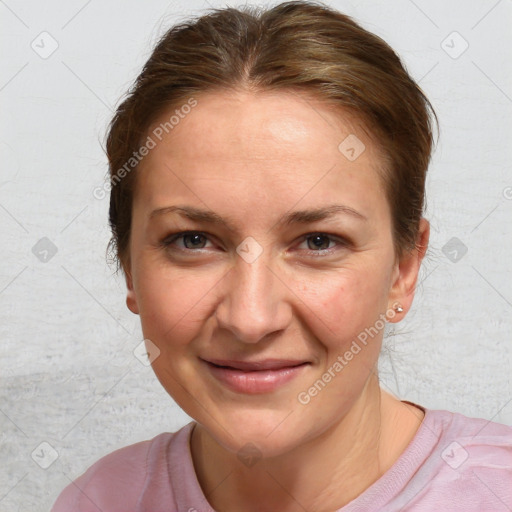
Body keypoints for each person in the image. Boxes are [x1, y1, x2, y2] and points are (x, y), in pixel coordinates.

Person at [52, 1, 512, 510]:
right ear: (129, 267)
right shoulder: (95, 500)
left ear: (404, 270)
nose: (251, 319)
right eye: (193, 240)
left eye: (318, 241)